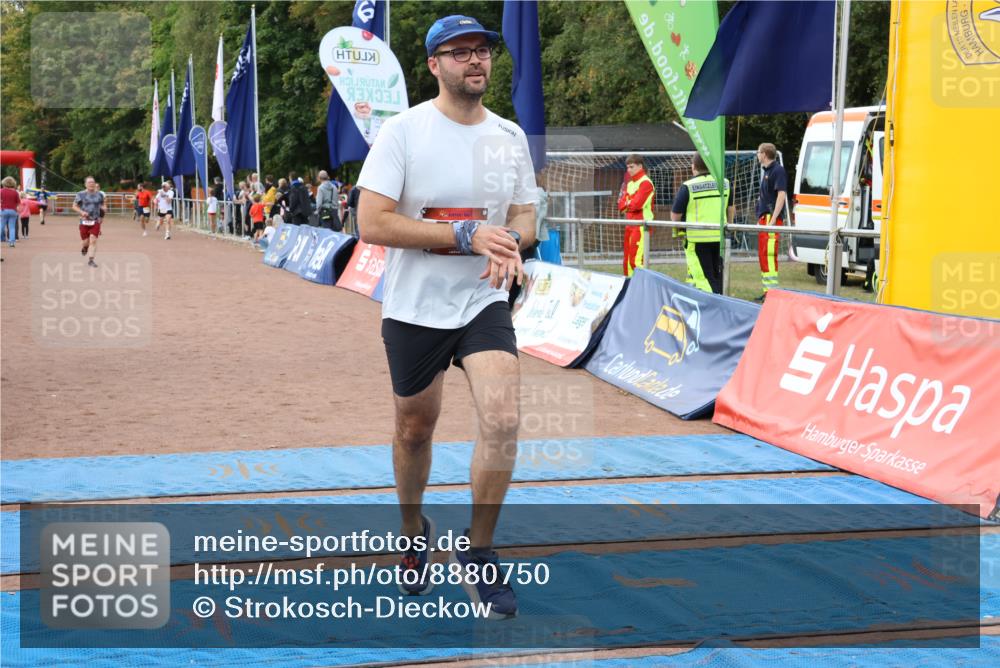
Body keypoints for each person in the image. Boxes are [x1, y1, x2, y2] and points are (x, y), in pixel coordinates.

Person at [356, 14, 536, 619]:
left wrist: (508, 241)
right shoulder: (403, 133)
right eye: (458, 53)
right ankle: (414, 530)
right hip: (414, 307)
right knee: (415, 428)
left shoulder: (510, 137)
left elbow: (527, 217)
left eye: (481, 50)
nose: (474, 61)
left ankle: (479, 553)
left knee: (504, 417)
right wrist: (463, 233)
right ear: (433, 65)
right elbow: (371, 222)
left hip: (483, 301)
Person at [670, 154, 734, 295]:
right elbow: (730, 209)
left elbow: (675, 215)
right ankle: (715, 299)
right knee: (717, 275)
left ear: (693, 167)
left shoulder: (688, 186)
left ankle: (715, 305)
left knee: (704, 278)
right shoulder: (725, 183)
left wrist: (677, 230)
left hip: (697, 238)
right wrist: (729, 227)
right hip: (719, 237)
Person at [756, 142, 788, 300]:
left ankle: (772, 293)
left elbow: (781, 195)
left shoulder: (777, 170)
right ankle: (766, 291)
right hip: (764, 218)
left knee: (769, 254)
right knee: (762, 254)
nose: (757, 155)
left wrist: (774, 218)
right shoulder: (766, 171)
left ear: (764, 154)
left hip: (770, 218)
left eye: (758, 152)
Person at [617, 154, 654, 276]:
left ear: (640, 166)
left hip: (641, 226)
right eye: (627, 167)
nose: (629, 170)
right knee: (627, 261)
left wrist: (628, 202)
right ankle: (630, 288)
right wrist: (629, 202)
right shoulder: (629, 184)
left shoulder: (646, 183)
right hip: (630, 225)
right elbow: (621, 206)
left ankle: (643, 289)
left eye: (631, 167)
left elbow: (636, 205)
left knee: (636, 261)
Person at [73, 176, 105, 267]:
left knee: (93, 240)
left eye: (93, 182)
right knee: (85, 242)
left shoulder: (100, 195)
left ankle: (91, 260)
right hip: (84, 221)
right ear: (85, 184)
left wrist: (103, 210)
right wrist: (81, 212)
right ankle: (84, 247)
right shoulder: (80, 194)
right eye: (89, 182)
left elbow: (103, 205)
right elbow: (74, 206)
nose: (91, 184)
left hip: (95, 221)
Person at [1, 177, 20, 247]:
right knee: (12, 227)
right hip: (13, 211)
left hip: (3, 210)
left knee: (1, 226)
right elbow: (18, 202)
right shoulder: (15, 192)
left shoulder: (1, 191)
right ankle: (12, 242)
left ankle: (1, 238)